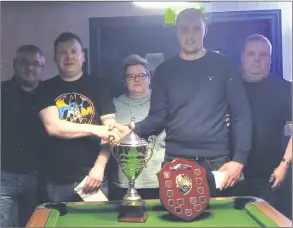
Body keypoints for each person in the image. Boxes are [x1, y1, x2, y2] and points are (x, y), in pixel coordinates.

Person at [111, 8, 252, 196]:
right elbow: (157, 118)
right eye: (184, 29)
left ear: (205, 31)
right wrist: (131, 129)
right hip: (175, 161)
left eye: (196, 28)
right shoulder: (164, 71)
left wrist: (239, 159)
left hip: (216, 162)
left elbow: (241, 114)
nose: (190, 35)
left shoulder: (223, 66)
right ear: (176, 32)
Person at [36, 32, 120, 202]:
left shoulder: (99, 86)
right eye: (63, 52)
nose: (69, 57)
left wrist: (99, 167)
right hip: (55, 181)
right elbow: (54, 127)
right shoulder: (46, 88)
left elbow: (110, 132)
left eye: (74, 52)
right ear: (55, 57)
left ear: (83, 56)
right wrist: (96, 129)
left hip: (92, 177)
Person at [230, 34, 292, 214]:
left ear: (270, 59)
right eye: (251, 54)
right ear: (242, 57)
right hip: (234, 176)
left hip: (271, 176)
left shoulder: (285, 89)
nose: (257, 59)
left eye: (263, 54)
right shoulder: (230, 87)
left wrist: (284, 165)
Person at [109, 54, 165, 200]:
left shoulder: (163, 102)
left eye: (141, 75)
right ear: (124, 81)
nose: (137, 79)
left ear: (149, 78)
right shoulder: (113, 105)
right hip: (123, 183)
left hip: (158, 181)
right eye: (131, 76)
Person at [1, 45, 46, 227]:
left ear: (42, 67)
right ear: (14, 64)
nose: (30, 68)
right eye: (24, 63)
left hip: (38, 177)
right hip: (4, 177)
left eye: (35, 64)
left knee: (35, 224)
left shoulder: (49, 94)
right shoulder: (2, 92)